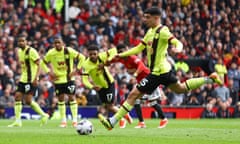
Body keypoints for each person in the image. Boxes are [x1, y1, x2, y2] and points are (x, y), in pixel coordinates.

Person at [98, 7, 223, 130]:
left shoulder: (163, 31)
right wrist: (121, 55)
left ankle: (112, 122)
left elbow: (178, 42)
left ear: (156, 18)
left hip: (159, 73)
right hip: (161, 72)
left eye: (148, 17)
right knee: (180, 89)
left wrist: (177, 49)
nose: (145, 20)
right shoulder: (150, 32)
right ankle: (209, 79)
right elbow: (138, 49)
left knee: (133, 94)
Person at [108, 43, 168, 128]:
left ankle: (164, 119)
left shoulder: (132, 57)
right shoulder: (122, 58)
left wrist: (135, 74)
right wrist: (107, 62)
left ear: (127, 49)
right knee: (136, 100)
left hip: (149, 79)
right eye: (119, 52)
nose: (121, 53)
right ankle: (141, 123)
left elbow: (141, 66)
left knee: (152, 102)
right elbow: (115, 59)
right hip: (141, 81)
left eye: (122, 51)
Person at [78, 44, 132, 128]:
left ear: (98, 53)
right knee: (107, 106)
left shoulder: (102, 56)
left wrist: (107, 62)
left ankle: (124, 117)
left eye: (94, 54)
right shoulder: (86, 65)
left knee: (110, 106)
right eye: (90, 54)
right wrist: (92, 87)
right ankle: (122, 117)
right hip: (99, 88)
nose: (92, 56)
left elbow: (114, 50)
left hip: (109, 84)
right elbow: (84, 80)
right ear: (88, 54)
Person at [41, 36, 85, 128]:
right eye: (55, 43)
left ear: (63, 44)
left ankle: (74, 121)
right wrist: (49, 72)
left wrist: (76, 70)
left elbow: (82, 57)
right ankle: (63, 121)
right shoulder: (51, 53)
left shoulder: (69, 51)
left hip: (69, 79)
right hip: (58, 80)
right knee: (60, 99)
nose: (57, 44)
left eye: (59, 42)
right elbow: (42, 62)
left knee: (71, 98)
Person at [8, 35, 49, 127]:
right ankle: (18, 121)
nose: (21, 43)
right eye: (19, 41)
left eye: (23, 41)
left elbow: (39, 65)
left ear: (26, 42)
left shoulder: (31, 51)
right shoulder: (19, 51)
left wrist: (36, 78)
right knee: (17, 97)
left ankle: (44, 115)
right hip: (23, 78)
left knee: (28, 101)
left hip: (31, 80)